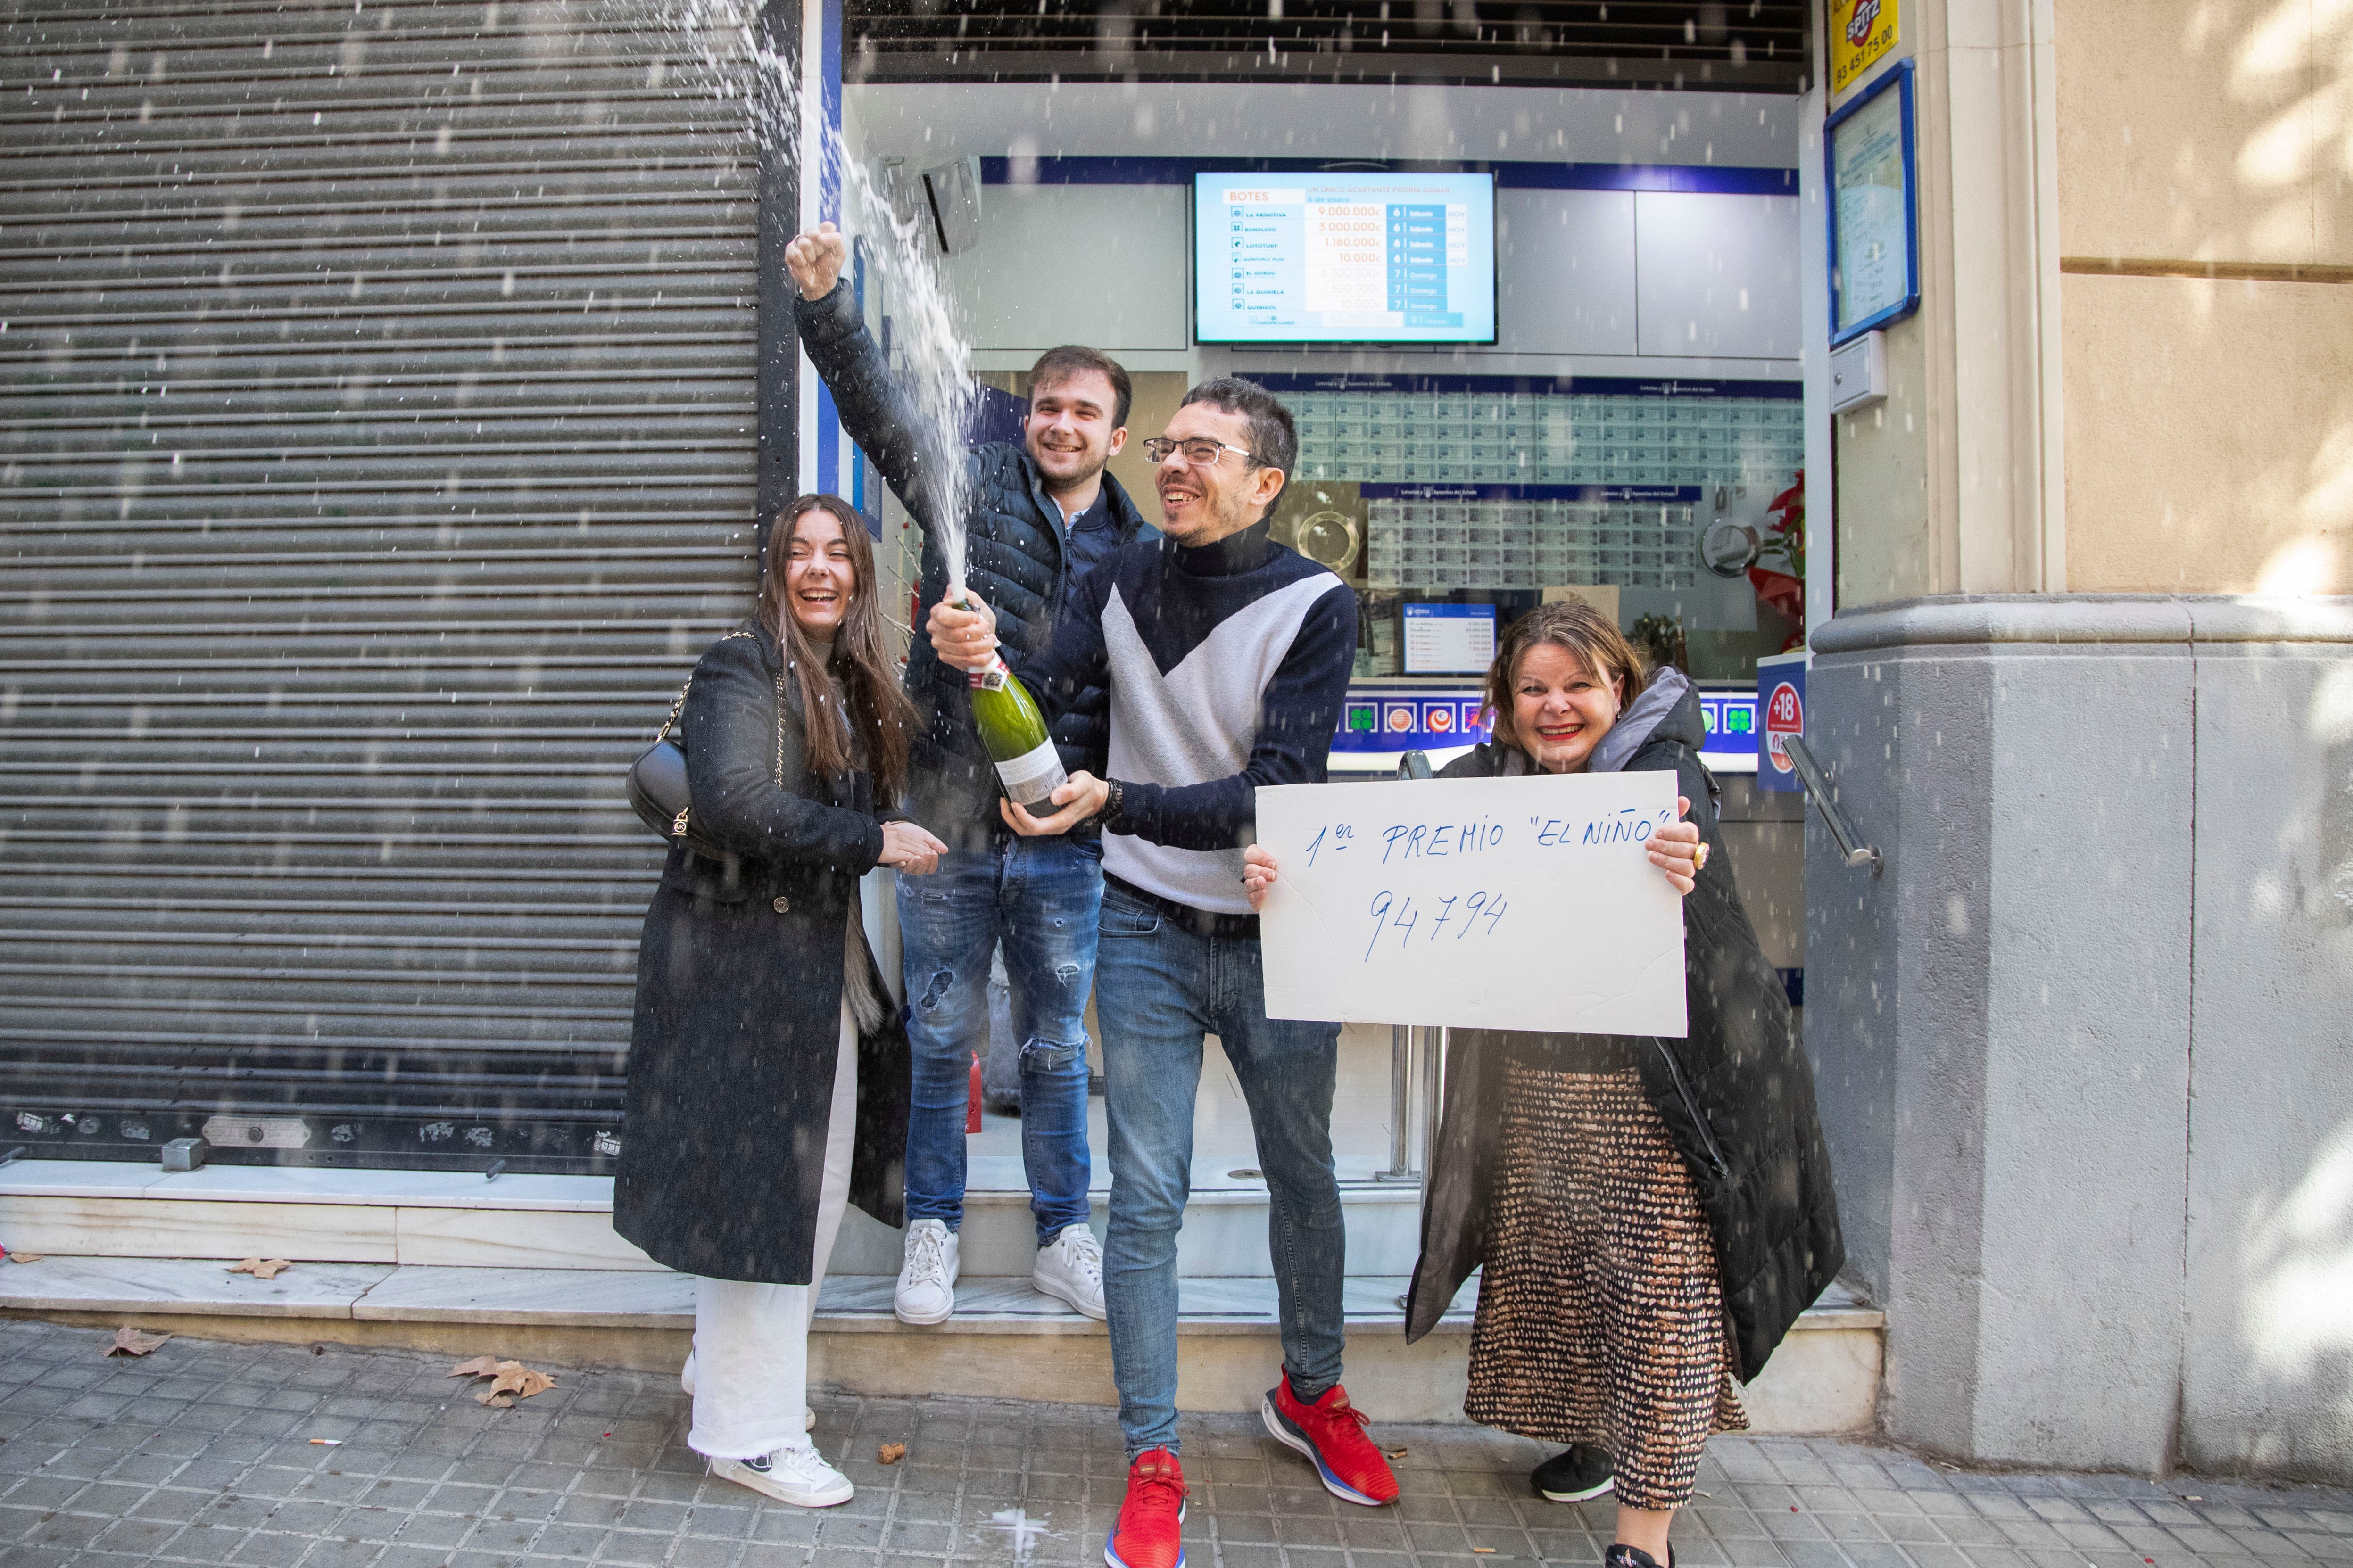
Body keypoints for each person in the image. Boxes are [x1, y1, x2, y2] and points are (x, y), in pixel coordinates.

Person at [1254, 600, 1842, 1568]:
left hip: (1664, 1106)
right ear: (1503, 702)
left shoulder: (1666, 778)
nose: (1554, 706)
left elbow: (1702, 888)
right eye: (1532, 688)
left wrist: (1682, 864)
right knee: (1565, 1295)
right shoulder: (1486, 783)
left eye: (1577, 684)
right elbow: (1371, 856)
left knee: (1661, 1306)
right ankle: (1600, 1436)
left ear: (1620, 687)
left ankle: (1640, 1543)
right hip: (1535, 1100)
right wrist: (1286, 879)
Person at [927, 377, 1392, 1568]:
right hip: (1142, 926)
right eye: (1170, 446)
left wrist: (1114, 799)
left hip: (1279, 926)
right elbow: (1054, 696)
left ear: (1265, 483)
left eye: (1203, 451)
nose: (1174, 466)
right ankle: (1152, 1455)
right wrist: (984, 667)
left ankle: (1313, 1393)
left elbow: (1270, 792)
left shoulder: (1316, 604)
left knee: (1302, 1171)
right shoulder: (1116, 575)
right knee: (1143, 1200)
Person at [785, 222, 1156, 1328]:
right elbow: (879, 413)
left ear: (1116, 436)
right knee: (942, 1033)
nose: (1060, 423)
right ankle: (931, 1232)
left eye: (1084, 411)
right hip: (943, 819)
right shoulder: (972, 480)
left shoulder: (1140, 555)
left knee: (1052, 1043)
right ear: (1025, 412)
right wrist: (826, 309)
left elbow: (1131, 703)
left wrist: (1085, 792)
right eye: (1046, 404)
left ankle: (1062, 1236)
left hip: (1062, 838)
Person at [613, 495, 950, 1508]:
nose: (818, 570)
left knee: (786, 1196)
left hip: (801, 969)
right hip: (740, 972)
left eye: (837, 554)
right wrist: (873, 842)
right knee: (770, 1203)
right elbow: (732, 804)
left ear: (860, 572)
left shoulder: (845, 678)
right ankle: (747, 1435)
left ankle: (728, 1380)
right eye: (797, 552)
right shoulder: (742, 665)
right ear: (774, 568)